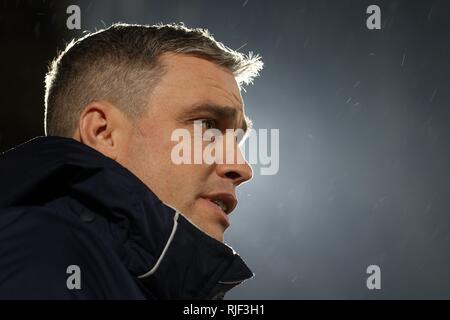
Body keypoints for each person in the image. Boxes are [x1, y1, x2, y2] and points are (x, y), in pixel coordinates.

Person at [0, 23, 263, 299]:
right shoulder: (39, 255)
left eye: (237, 140)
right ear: (103, 133)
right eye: (207, 125)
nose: (242, 168)